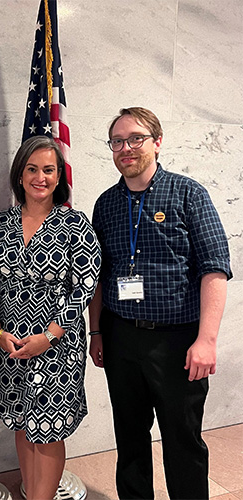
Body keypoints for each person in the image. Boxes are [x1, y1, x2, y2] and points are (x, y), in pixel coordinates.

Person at [88, 107, 232, 499]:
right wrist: (97, 331)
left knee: (182, 441)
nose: (126, 148)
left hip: (177, 343)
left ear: (157, 142)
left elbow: (215, 269)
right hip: (121, 339)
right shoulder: (106, 204)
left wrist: (206, 339)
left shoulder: (188, 193)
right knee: (129, 439)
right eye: (118, 141)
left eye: (135, 138)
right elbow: (98, 275)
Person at [0, 135, 101, 500]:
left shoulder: (75, 225)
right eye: (32, 169)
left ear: (59, 175)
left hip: (57, 347)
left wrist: (49, 336)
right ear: (19, 175)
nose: (40, 177)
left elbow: (84, 285)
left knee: (48, 429)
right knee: (22, 422)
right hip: (10, 345)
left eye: (48, 170)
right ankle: (31, 491)